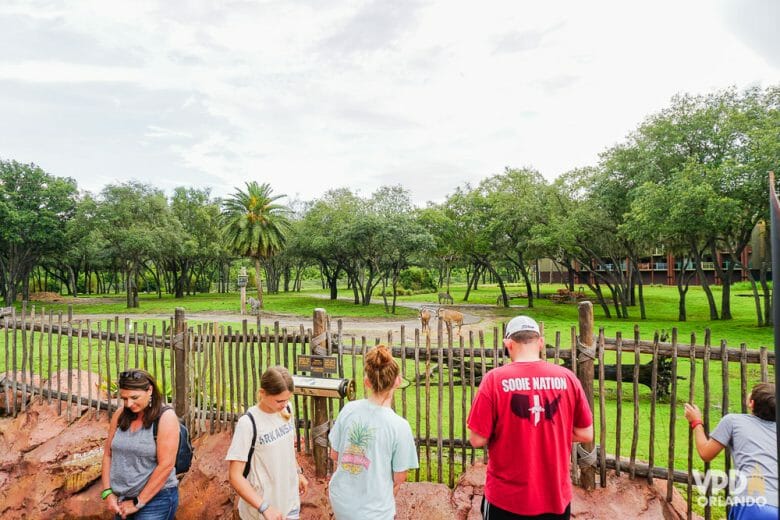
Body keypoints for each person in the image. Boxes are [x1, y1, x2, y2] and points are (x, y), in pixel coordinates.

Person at [467, 315, 593, 519]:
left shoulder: (494, 380)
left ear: (508, 344)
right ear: (540, 342)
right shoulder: (568, 378)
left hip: (506, 499)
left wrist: (517, 433)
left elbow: (477, 439)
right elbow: (586, 434)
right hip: (555, 498)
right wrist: (550, 432)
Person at [328, 345, 419, 519]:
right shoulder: (399, 426)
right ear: (398, 381)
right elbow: (399, 477)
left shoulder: (348, 410)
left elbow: (334, 454)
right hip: (374, 511)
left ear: (367, 381)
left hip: (341, 501)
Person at [685, 382, 778, 519]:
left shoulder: (733, 421)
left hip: (752, 504)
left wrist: (696, 422)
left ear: (751, 403)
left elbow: (705, 453)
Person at [226, 366, 308, 520]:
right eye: (279, 400)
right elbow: (235, 476)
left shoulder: (286, 410)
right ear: (262, 393)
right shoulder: (249, 423)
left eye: (287, 399)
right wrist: (264, 507)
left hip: (290, 505)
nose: (284, 404)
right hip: (261, 512)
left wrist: (298, 472)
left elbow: (287, 450)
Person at [101, 369, 179, 520]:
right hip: (123, 499)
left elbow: (166, 465)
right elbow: (108, 454)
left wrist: (138, 502)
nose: (129, 404)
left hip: (156, 499)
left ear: (149, 390)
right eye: (124, 399)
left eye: (134, 397)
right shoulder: (120, 414)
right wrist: (108, 492)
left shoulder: (165, 418)